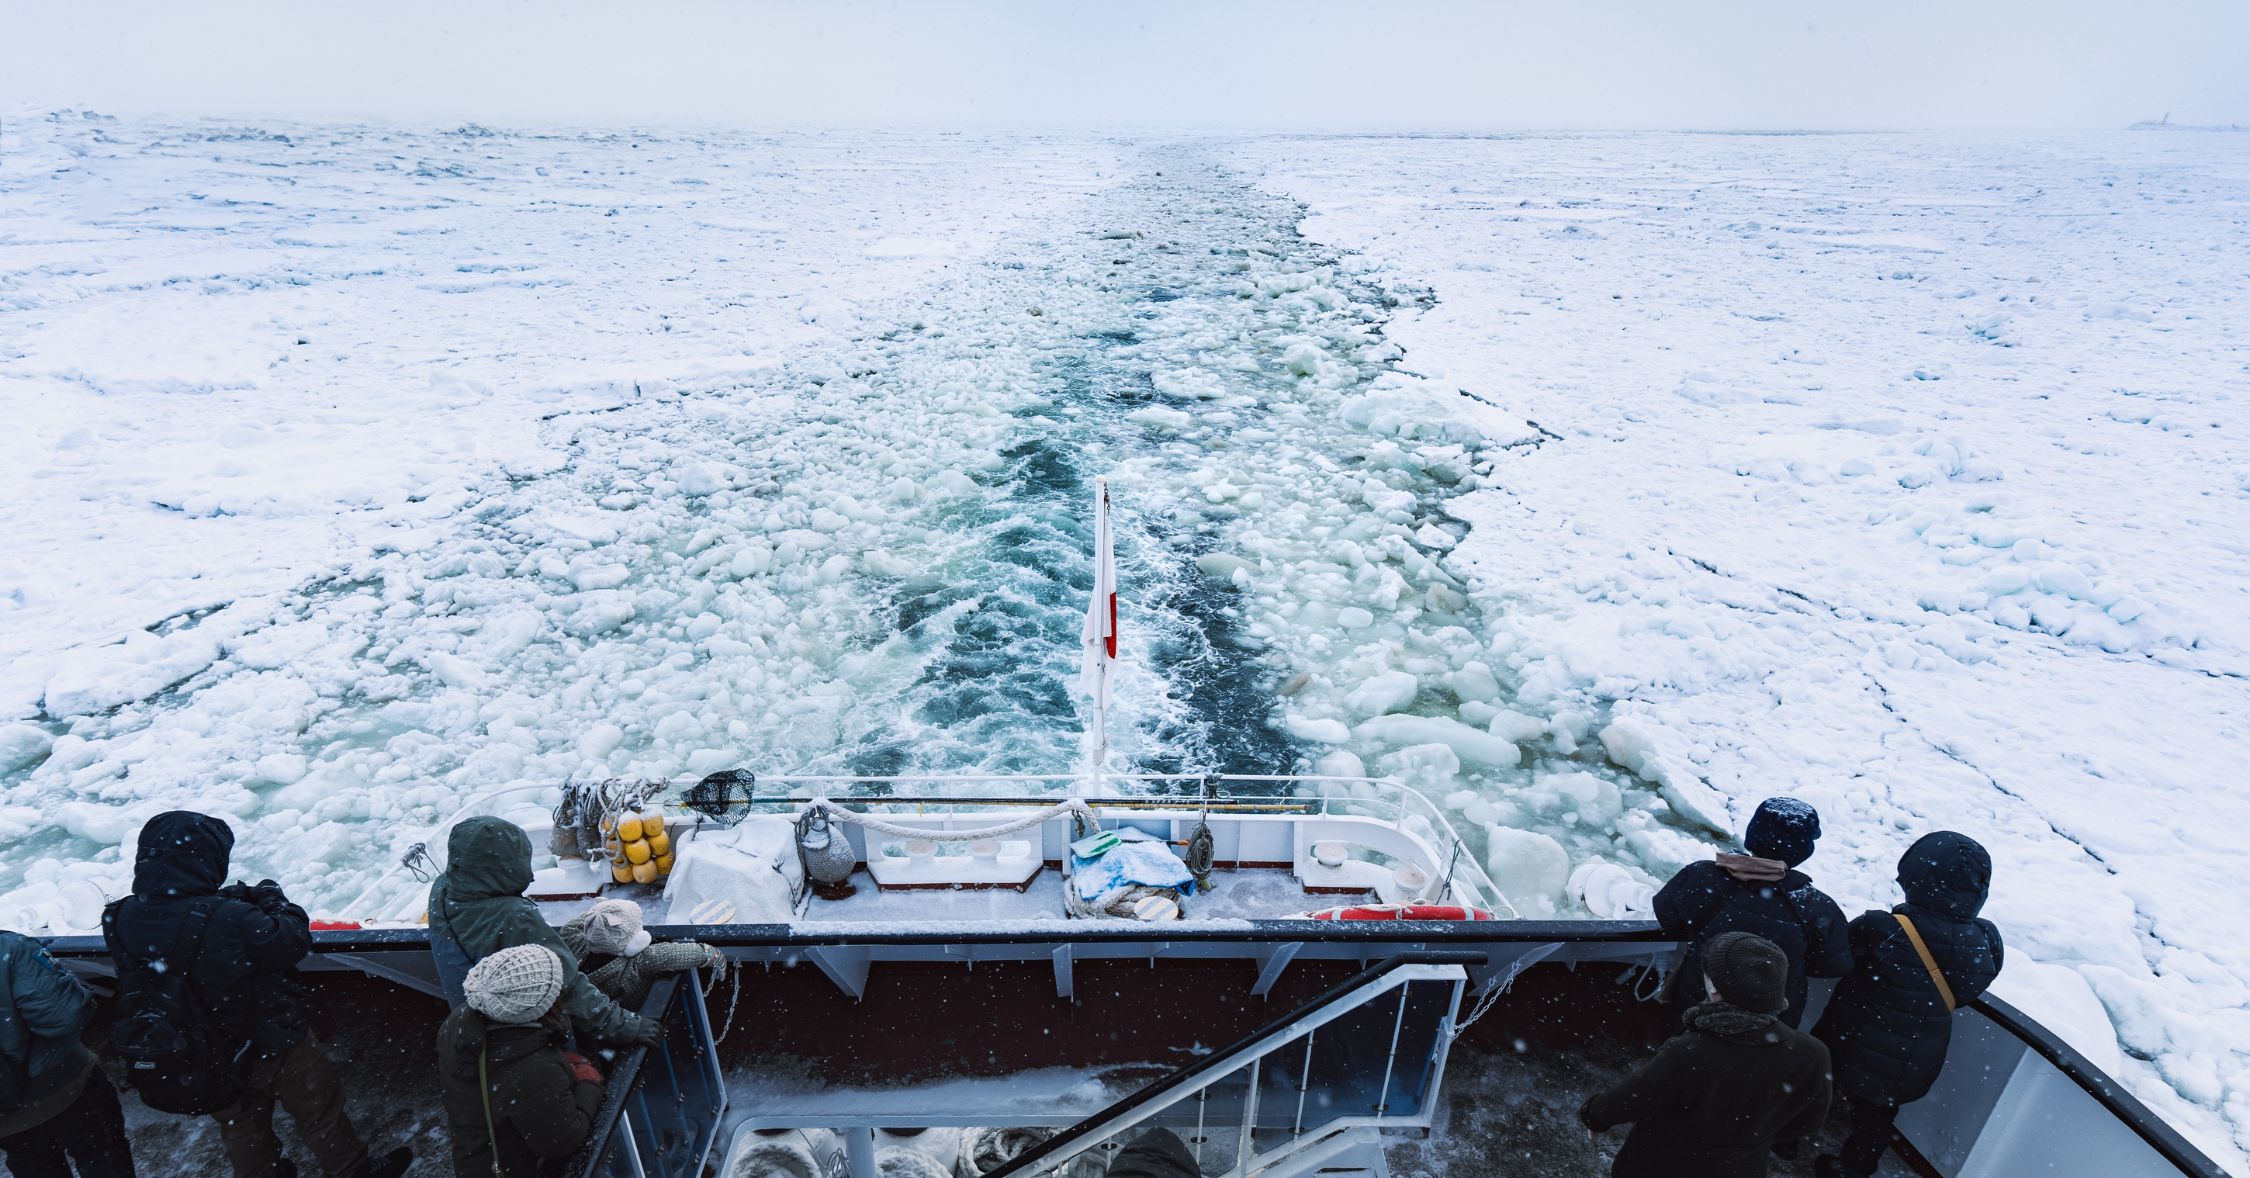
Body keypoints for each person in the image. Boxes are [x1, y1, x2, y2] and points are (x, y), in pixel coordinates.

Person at [104, 811, 410, 1178]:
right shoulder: (229, 918)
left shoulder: (118, 916)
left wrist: (219, 902)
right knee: (318, 1108)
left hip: (198, 1046)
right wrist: (273, 898)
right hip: (268, 1036)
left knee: (240, 1122)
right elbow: (291, 939)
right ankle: (353, 1171)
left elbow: (171, 936)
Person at [1812, 831, 2003, 1178]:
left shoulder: (1882, 927)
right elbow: (1968, 988)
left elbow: (1837, 959)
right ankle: (1856, 1166)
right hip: (1915, 1060)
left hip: (1850, 1042)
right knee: (1878, 1113)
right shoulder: (1986, 939)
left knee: (1816, 1085)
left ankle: (1787, 1139)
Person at [1579, 932, 1832, 1177]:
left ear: (1714, 989)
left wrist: (1594, 1115)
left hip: (1660, 1164)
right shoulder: (1813, 1053)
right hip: (1741, 1168)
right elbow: (1807, 1122)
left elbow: (1633, 1096)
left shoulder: (1690, 1051)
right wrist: (1747, 1140)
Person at [427, 817, 660, 1048]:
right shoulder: (513, 917)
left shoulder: (443, 889)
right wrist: (623, 1026)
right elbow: (565, 984)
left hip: (471, 1027)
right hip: (526, 1032)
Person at [1654, 796, 1852, 1028]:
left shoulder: (1701, 876)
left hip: (1698, 1005)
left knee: (1688, 1045)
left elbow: (1669, 920)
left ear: (1753, 834)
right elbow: (1832, 965)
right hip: (1772, 1023)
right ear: (1804, 850)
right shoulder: (1816, 907)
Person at [437, 945, 606, 1177]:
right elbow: (562, 1140)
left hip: (475, 1157)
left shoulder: (460, 1022)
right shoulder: (532, 1069)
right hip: (516, 1168)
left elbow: (500, 1070)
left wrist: (555, 1060)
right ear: (537, 1007)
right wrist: (588, 1083)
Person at [0, 929, 136, 1177]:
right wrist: (79, 993)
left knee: (35, 1165)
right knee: (102, 1155)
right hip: (61, 1087)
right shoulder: (10, 948)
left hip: (7, 1116)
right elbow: (65, 1016)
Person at [559, 900, 724, 1008]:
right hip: (637, 1018)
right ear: (636, 942)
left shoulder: (575, 942)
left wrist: (601, 914)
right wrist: (715, 955)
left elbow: (574, 925)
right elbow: (685, 953)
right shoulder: (641, 961)